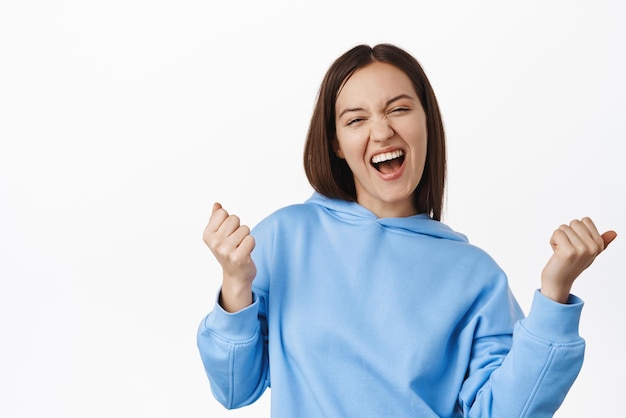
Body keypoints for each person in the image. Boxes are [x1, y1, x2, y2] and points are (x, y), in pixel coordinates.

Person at [196, 43, 617, 417]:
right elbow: (235, 390)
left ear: (427, 122)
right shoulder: (286, 238)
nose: (382, 132)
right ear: (336, 144)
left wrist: (555, 293)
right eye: (355, 119)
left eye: (398, 109)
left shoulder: (475, 275)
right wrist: (235, 286)